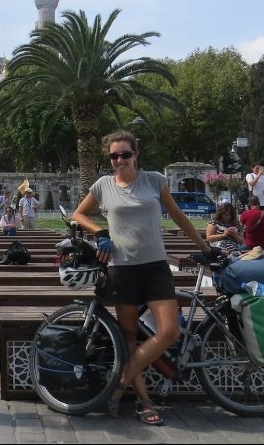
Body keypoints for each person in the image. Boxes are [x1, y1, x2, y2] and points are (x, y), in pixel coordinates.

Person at [71, 130, 212, 425]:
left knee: (169, 331)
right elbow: (78, 215)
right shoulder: (103, 185)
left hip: (155, 266)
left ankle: (119, 382)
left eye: (125, 154)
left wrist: (204, 246)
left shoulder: (153, 181)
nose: (119, 160)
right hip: (122, 269)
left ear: (136, 154)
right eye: (113, 156)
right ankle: (145, 401)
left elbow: (178, 217)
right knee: (129, 337)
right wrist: (100, 233)